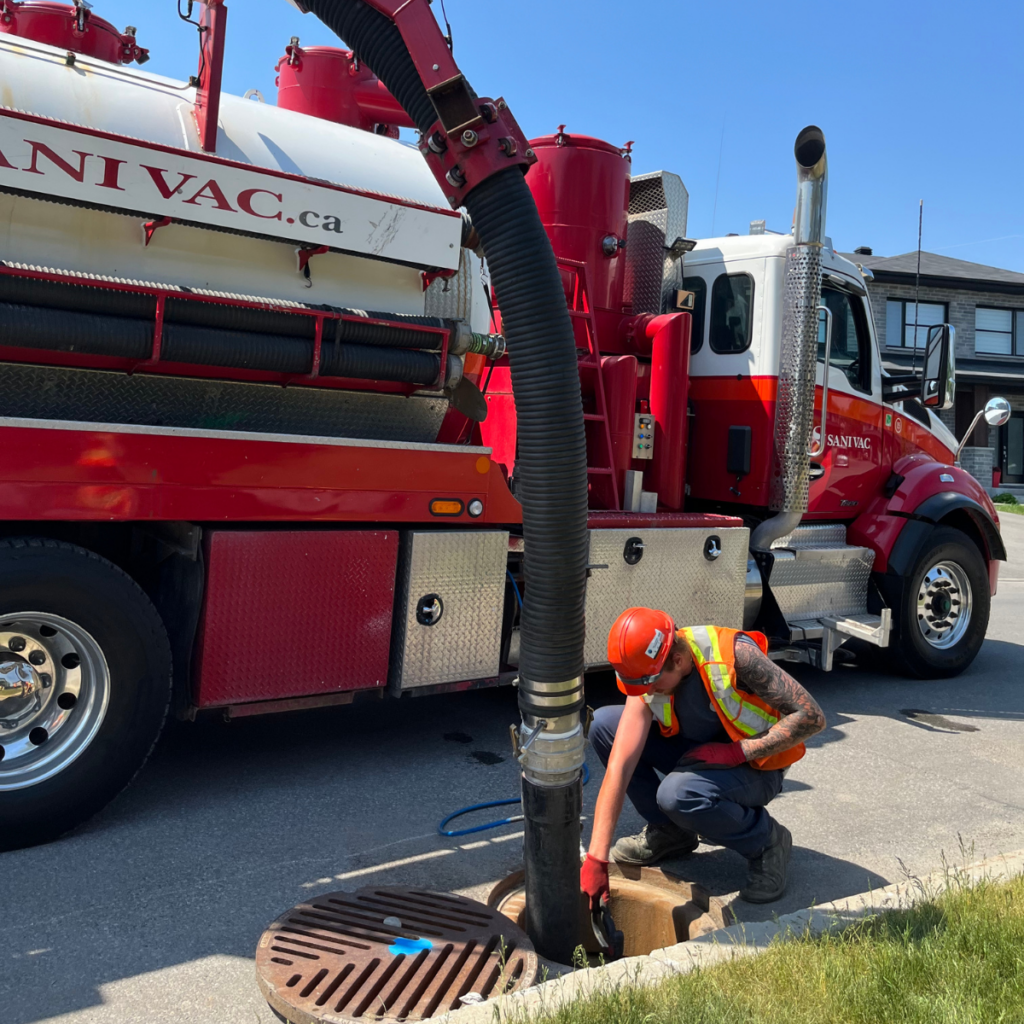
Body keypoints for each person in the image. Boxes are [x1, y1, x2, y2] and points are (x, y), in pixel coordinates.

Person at [580, 607, 826, 906]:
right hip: (698, 754)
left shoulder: (736, 657)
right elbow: (620, 767)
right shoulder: (652, 669)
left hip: (756, 767)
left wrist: (737, 751)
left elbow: (812, 717)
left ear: (678, 660)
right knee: (605, 726)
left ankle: (767, 842)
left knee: (677, 795)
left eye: (652, 684)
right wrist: (596, 858)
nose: (648, 692)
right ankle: (671, 833)